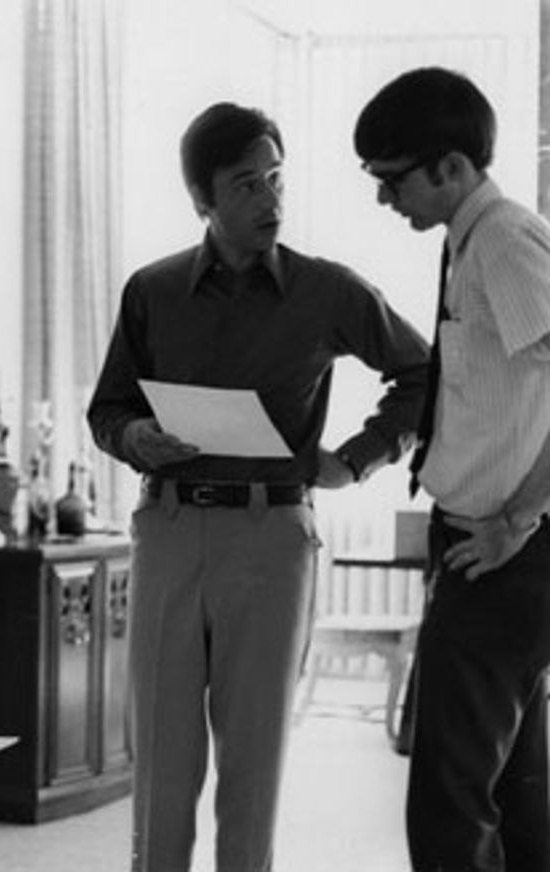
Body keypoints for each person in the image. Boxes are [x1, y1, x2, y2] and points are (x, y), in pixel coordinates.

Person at [87, 102, 429, 872]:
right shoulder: (153, 290)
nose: (270, 200)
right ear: (202, 201)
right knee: (162, 773)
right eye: (246, 185)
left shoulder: (328, 291)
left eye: (276, 179)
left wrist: (358, 458)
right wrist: (134, 435)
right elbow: (107, 408)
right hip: (169, 532)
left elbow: (423, 372)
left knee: (254, 766)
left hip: (272, 540)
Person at [355, 67, 550, 872]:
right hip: (488, 550)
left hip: (500, 553)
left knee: (450, 800)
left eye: (392, 180)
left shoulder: (503, 240)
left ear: (452, 167)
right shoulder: (469, 244)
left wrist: (520, 519)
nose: (384, 201)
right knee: (513, 790)